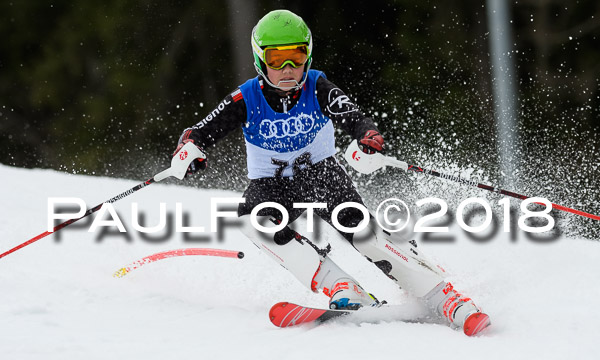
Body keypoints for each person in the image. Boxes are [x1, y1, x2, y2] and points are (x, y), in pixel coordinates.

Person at [172, 9, 490, 335]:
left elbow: (352, 115)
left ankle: (443, 297)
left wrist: (367, 136)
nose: (286, 69)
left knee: (362, 234)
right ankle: (342, 287)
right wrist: (189, 149)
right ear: (260, 59)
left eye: (295, 57)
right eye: (276, 58)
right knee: (255, 220)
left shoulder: (317, 85)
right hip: (272, 183)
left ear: (307, 56)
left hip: (321, 175)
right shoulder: (246, 97)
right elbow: (202, 131)